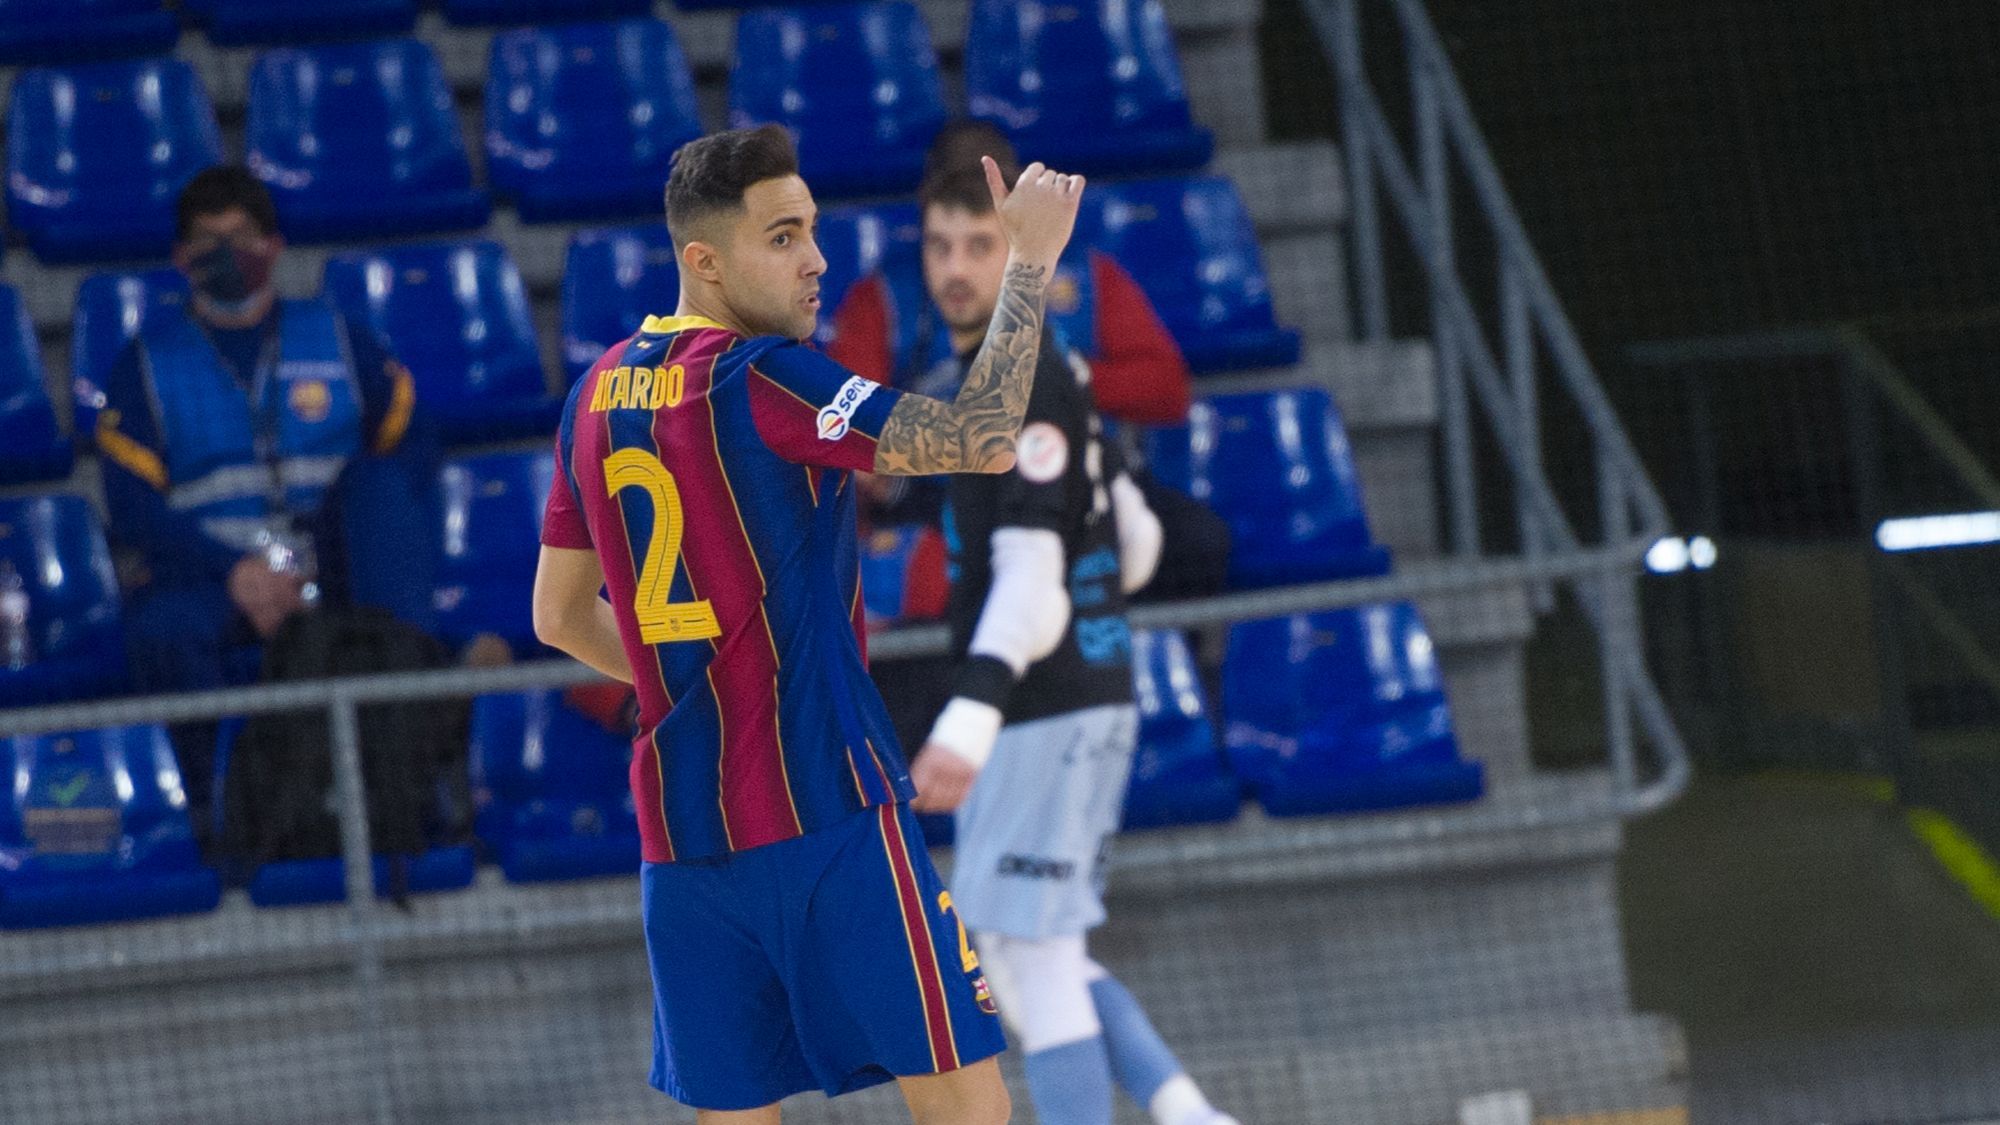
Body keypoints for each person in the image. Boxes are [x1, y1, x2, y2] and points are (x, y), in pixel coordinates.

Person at [530, 123, 1086, 1123]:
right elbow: (980, 438)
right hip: (828, 816)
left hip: (684, 848)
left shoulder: (589, 398)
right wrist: (1029, 263)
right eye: (782, 237)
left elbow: (557, 617)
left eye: (813, 230)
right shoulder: (766, 377)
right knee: (969, 1108)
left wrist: (686, 688)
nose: (816, 259)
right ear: (704, 262)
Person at [901, 160, 1239, 1125]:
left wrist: (966, 721)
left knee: (1025, 957)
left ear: (1023, 246)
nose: (957, 267)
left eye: (981, 242)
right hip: (1089, 693)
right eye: (940, 245)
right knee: (1038, 950)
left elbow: (1034, 580)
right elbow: (1136, 542)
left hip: (1038, 710)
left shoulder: (1024, 379)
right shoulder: (1055, 371)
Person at [95, 165, 444, 842]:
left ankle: (410, 784)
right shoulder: (145, 363)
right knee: (161, 631)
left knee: (382, 494)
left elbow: (415, 442)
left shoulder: (340, 337)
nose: (229, 253)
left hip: (333, 560)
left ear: (275, 246)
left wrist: (324, 549)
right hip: (213, 577)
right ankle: (218, 812)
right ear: (179, 259)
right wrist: (235, 571)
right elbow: (130, 509)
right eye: (208, 240)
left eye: (243, 236)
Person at [829, 121, 1229, 601]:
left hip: (1072, 476)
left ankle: (1163, 667)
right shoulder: (884, 298)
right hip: (947, 495)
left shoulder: (1082, 276)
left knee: (1195, 542)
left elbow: (1166, 390)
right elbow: (847, 431)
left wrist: (1059, 378)